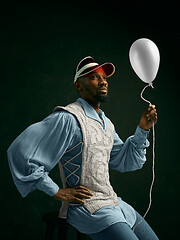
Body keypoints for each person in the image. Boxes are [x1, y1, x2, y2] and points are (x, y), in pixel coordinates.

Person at [7, 56, 158, 240]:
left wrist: (142, 129)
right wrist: (56, 191)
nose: (103, 81)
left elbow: (125, 161)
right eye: (95, 77)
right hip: (87, 208)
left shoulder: (107, 124)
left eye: (104, 77)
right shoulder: (68, 118)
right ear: (79, 85)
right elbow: (20, 152)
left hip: (114, 203)